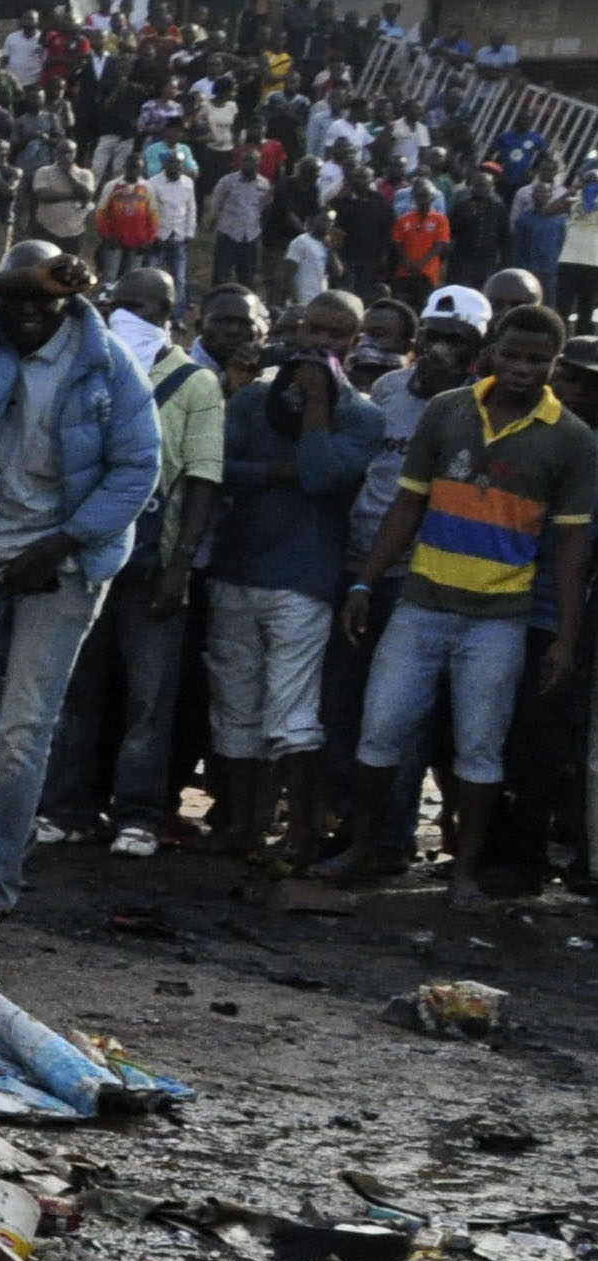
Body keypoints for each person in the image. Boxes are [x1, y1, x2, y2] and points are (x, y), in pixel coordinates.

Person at [0, 244, 163, 923]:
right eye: (12, 298)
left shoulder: (108, 364)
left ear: (68, 299)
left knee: (20, 728)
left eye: (39, 298)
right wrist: (11, 279)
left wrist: (60, 543)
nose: (24, 312)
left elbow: (137, 471)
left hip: (69, 562)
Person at [323, 303, 591, 900]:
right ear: (492, 350)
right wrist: (366, 581)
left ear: (553, 363)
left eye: (538, 360)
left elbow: (572, 552)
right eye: (514, 355)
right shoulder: (447, 412)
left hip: (501, 620)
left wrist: (566, 640)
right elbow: (406, 506)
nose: (524, 369)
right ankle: (362, 848)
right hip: (421, 603)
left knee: (479, 748)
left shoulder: (571, 440)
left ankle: (464, 873)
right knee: (381, 730)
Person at [38, 269, 227, 857]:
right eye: (122, 304)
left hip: (152, 562)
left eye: (146, 307)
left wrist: (181, 568)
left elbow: (202, 481)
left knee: (149, 697)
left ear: (174, 313)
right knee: (78, 689)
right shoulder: (91, 365)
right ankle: (69, 806)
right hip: (87, 555)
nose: (130, 315)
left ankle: (139, 813)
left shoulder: (197, 384)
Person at [202, 292, 371, 870]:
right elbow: (216, 467)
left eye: (336, 334)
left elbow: (324, 475)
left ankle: (298, 832)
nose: (321, 342)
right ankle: (243, 828)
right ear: (295, 331)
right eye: (313, 329)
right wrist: (278, 472)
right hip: (237, 568)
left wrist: (319, 400)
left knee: (293, 711)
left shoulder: (362, 414)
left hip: (304, 581)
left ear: (355, 340)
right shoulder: (252, 400)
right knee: (236, 704)